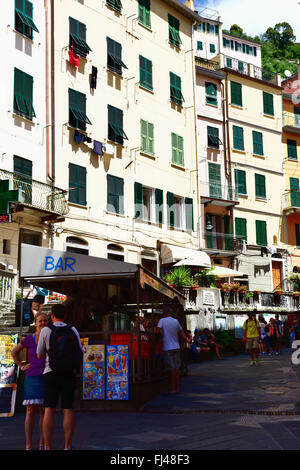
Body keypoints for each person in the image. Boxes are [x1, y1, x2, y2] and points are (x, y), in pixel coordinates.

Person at [36, 304, 83, 450]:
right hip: (69, 373)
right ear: (65, 315)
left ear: (51, 316)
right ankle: (67, 446)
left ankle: (48, 447)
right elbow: (80, 350)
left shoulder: (46, 330)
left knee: (49, 409)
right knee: (68, 409)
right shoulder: (72, 329)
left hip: (51, 372)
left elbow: (39, 353)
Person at [11, 313, 49, 450]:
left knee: (44, 411)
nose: (43, 323)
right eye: (40, 321)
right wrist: (21, 366)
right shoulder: (29, 339)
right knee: (30, 410)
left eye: (45, 321)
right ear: (35, 322)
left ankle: (42, 444)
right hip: (32, 376)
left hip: (46, 376)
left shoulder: (50, 337)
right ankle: (28, 445)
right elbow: (14, 352)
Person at [156, 306, 187, 394]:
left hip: (167, 347)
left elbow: (157, 332)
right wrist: (187, 339)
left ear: (164, 313)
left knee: (172, 369)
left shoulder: (162, 320)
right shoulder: (176, 321)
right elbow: (182, 333)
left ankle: (173, 389)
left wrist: (161, 335)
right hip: (176, 347)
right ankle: (177, 388)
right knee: (176, 369)